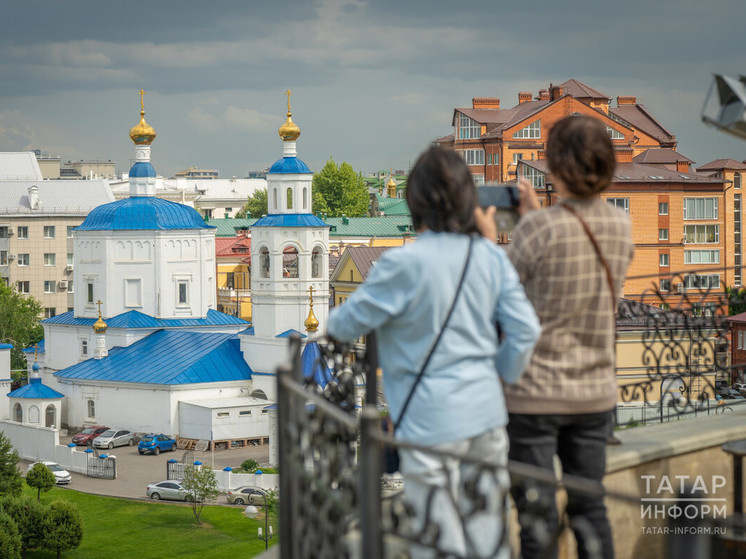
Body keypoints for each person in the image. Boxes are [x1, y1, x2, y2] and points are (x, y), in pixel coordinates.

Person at [327, 146, 540, 558]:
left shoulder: (400, 264)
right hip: (486, 416)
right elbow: (526, 331)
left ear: (414, 202)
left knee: (439, 542)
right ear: (468, 201)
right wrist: (501, 377)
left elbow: (340, 326)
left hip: (428, 423)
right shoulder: (490, 256)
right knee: (489, 537)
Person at [476, 115, 634, 559]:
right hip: (595, 395)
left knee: (536, 516)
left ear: (556, 167)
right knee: (591, 507)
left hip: (535, 397)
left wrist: (492, 239)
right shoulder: (622, 225)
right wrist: (536, 217)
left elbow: (500, 293)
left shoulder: (537, 229)